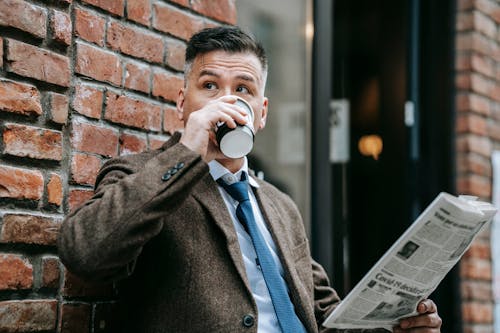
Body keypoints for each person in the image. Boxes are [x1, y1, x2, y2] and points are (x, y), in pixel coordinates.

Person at [58, 26, 442, 333]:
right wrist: (188, 151)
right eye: (209, 86)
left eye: (243, 89)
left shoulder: (280, 205)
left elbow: (325, 317)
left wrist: (392, 327)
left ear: (261, 114)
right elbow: (85, 254)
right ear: (181, 103)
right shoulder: (141, 175)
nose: (227, 101)